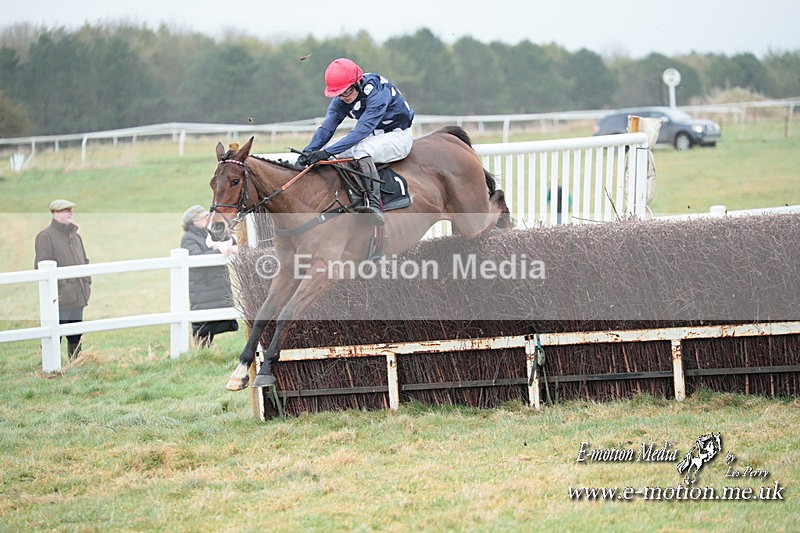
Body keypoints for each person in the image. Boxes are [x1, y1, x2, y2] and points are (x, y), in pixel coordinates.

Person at [296, 58, 415, 225]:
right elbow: (327, 128)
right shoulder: (342, 97)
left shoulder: (378, 92)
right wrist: (309, 151)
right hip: (373, 135)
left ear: (357, 84)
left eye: (346, 92)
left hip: (398, 136)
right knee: (328, 148)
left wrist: (327, 152)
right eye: (338, 93)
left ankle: (374, 205)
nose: (342, 97)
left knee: (361, 151)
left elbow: (361, 131)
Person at [34, 199, 91, 361]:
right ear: (55, 213)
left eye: (70, 210)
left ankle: (76, 365)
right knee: (53, 335)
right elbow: (41, 267)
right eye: (66, 210)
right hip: (57, 299)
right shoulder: (45, 237)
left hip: (78, 297)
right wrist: (62, 289)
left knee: (76, 335)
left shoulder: (76, 237)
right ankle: (50, 366)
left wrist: (86, 282)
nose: (71, 213)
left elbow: (84, 261)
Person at [180, 205, 239, 348]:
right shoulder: (188, 238)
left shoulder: (211, 231)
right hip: (203, 285)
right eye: (203, 217)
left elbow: (229, 242)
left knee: (213, 319)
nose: (207, 219)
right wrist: (220, 252)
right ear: (194, 221)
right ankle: (203, 350)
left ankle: (207, 350)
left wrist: (230, 244)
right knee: (203, 322)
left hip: (215, 283)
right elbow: (196, 258)